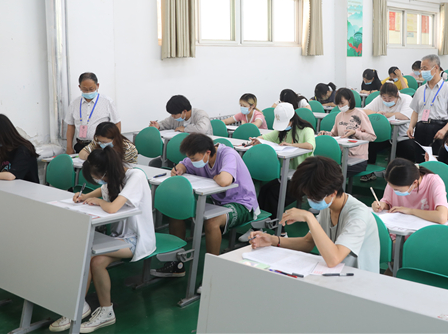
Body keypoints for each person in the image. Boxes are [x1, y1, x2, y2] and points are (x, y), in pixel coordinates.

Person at [49, 148, 155, 332]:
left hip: (136, 240)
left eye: (99, 177)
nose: (100, 181)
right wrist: (84, 197)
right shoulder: (113, 177)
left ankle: (88, 309)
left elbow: (112, 208)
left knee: (91, 256)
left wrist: (99, 202)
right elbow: (102, 189)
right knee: (90, 257)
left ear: (107, 172)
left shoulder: (136, 176)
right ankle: (89, 308)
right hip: (118, 238)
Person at [151, 133, 259, 277]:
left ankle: (212, 273)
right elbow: (183, 164)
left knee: (212, 221)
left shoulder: (228, 154)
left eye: (194, 159)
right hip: (216, 200)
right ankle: (176, 264)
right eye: (190, 158)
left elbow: (224, 180)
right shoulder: (198, 156)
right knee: (177, 210)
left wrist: (216, 176)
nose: (192, 161)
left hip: (242, 203)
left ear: (208, 152)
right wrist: (179, 169)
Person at [249, 156, 380, 273]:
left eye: (313, 196)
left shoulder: (358, 215)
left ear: (333, 193)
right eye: (308, 195)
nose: (310, 200)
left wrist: (309, 217)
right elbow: (307, 242)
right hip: (334, 274)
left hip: (359, 279)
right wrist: (272, 240)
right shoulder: (328, 205)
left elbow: (333, 259)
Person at [249, 103, 316, 218]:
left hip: (304, 177)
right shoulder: (282, 131)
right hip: (286, 175)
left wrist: (291, 145)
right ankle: (260, 221)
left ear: (292, 119)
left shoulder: (306, 129)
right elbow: (265, 137)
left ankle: (277, 225)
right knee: (265, 190)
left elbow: (310, 145)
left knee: (274, 194)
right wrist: (257, 140)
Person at [400, 54, 448, 163]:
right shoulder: (420, 90)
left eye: (425, 68)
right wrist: (411, 126)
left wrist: (445, 130)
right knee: (419, 160)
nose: (422, 72)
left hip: (439, 128)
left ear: (436, 68)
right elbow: (415, 111)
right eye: (421, 69)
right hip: (421, 128)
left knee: (436, 161)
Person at [371, 159, 448, 225]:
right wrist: (381, 205)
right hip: (400, 226)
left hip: (425, 230)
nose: (394, 191)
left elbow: (442, 217)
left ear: (414, 182)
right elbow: (388, 204)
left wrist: (411, 211)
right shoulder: (394, 181)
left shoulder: (434, 182)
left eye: (398, 190)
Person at [319, 88, 376, 178]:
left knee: (332, 174)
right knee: (320, 169)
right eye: (338, 104)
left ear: (350, 100)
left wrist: (355, 133)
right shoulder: (339, 115)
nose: (340, 106)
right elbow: (334, 134)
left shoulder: (360, 114)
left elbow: (372, 137)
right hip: (341, 156)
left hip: (357, 159)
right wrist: (325, 134)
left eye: (342, 103)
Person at [65, 72, 121, 154]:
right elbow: (70, 126)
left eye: (91, 89)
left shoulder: (107, 102)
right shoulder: (74, 103)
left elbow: (117, 123)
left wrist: (115, 144)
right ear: (79, 87)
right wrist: (69, 147)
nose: (88, 92)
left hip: (100, 146)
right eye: (85, 89)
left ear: (97, 85)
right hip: (81, 145)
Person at [363, 83, 413, 165]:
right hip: (384, 135)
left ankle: (402, 170)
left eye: (390, 98)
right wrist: (376, 113)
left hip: (402, 136)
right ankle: (369, 168)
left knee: (407, 148)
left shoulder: (406, 99)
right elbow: (364, 111)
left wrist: (384, 115)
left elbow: (404, 116)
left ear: (397, 94)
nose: (387, 100)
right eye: (384, 98)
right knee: (369, 143)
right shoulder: (379, 99)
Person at [0, 114, 39, 183]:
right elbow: (6, 167)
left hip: (27, 188)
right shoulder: (5, 148)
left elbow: (11, 175)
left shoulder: (23, 150)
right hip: (12, 186)